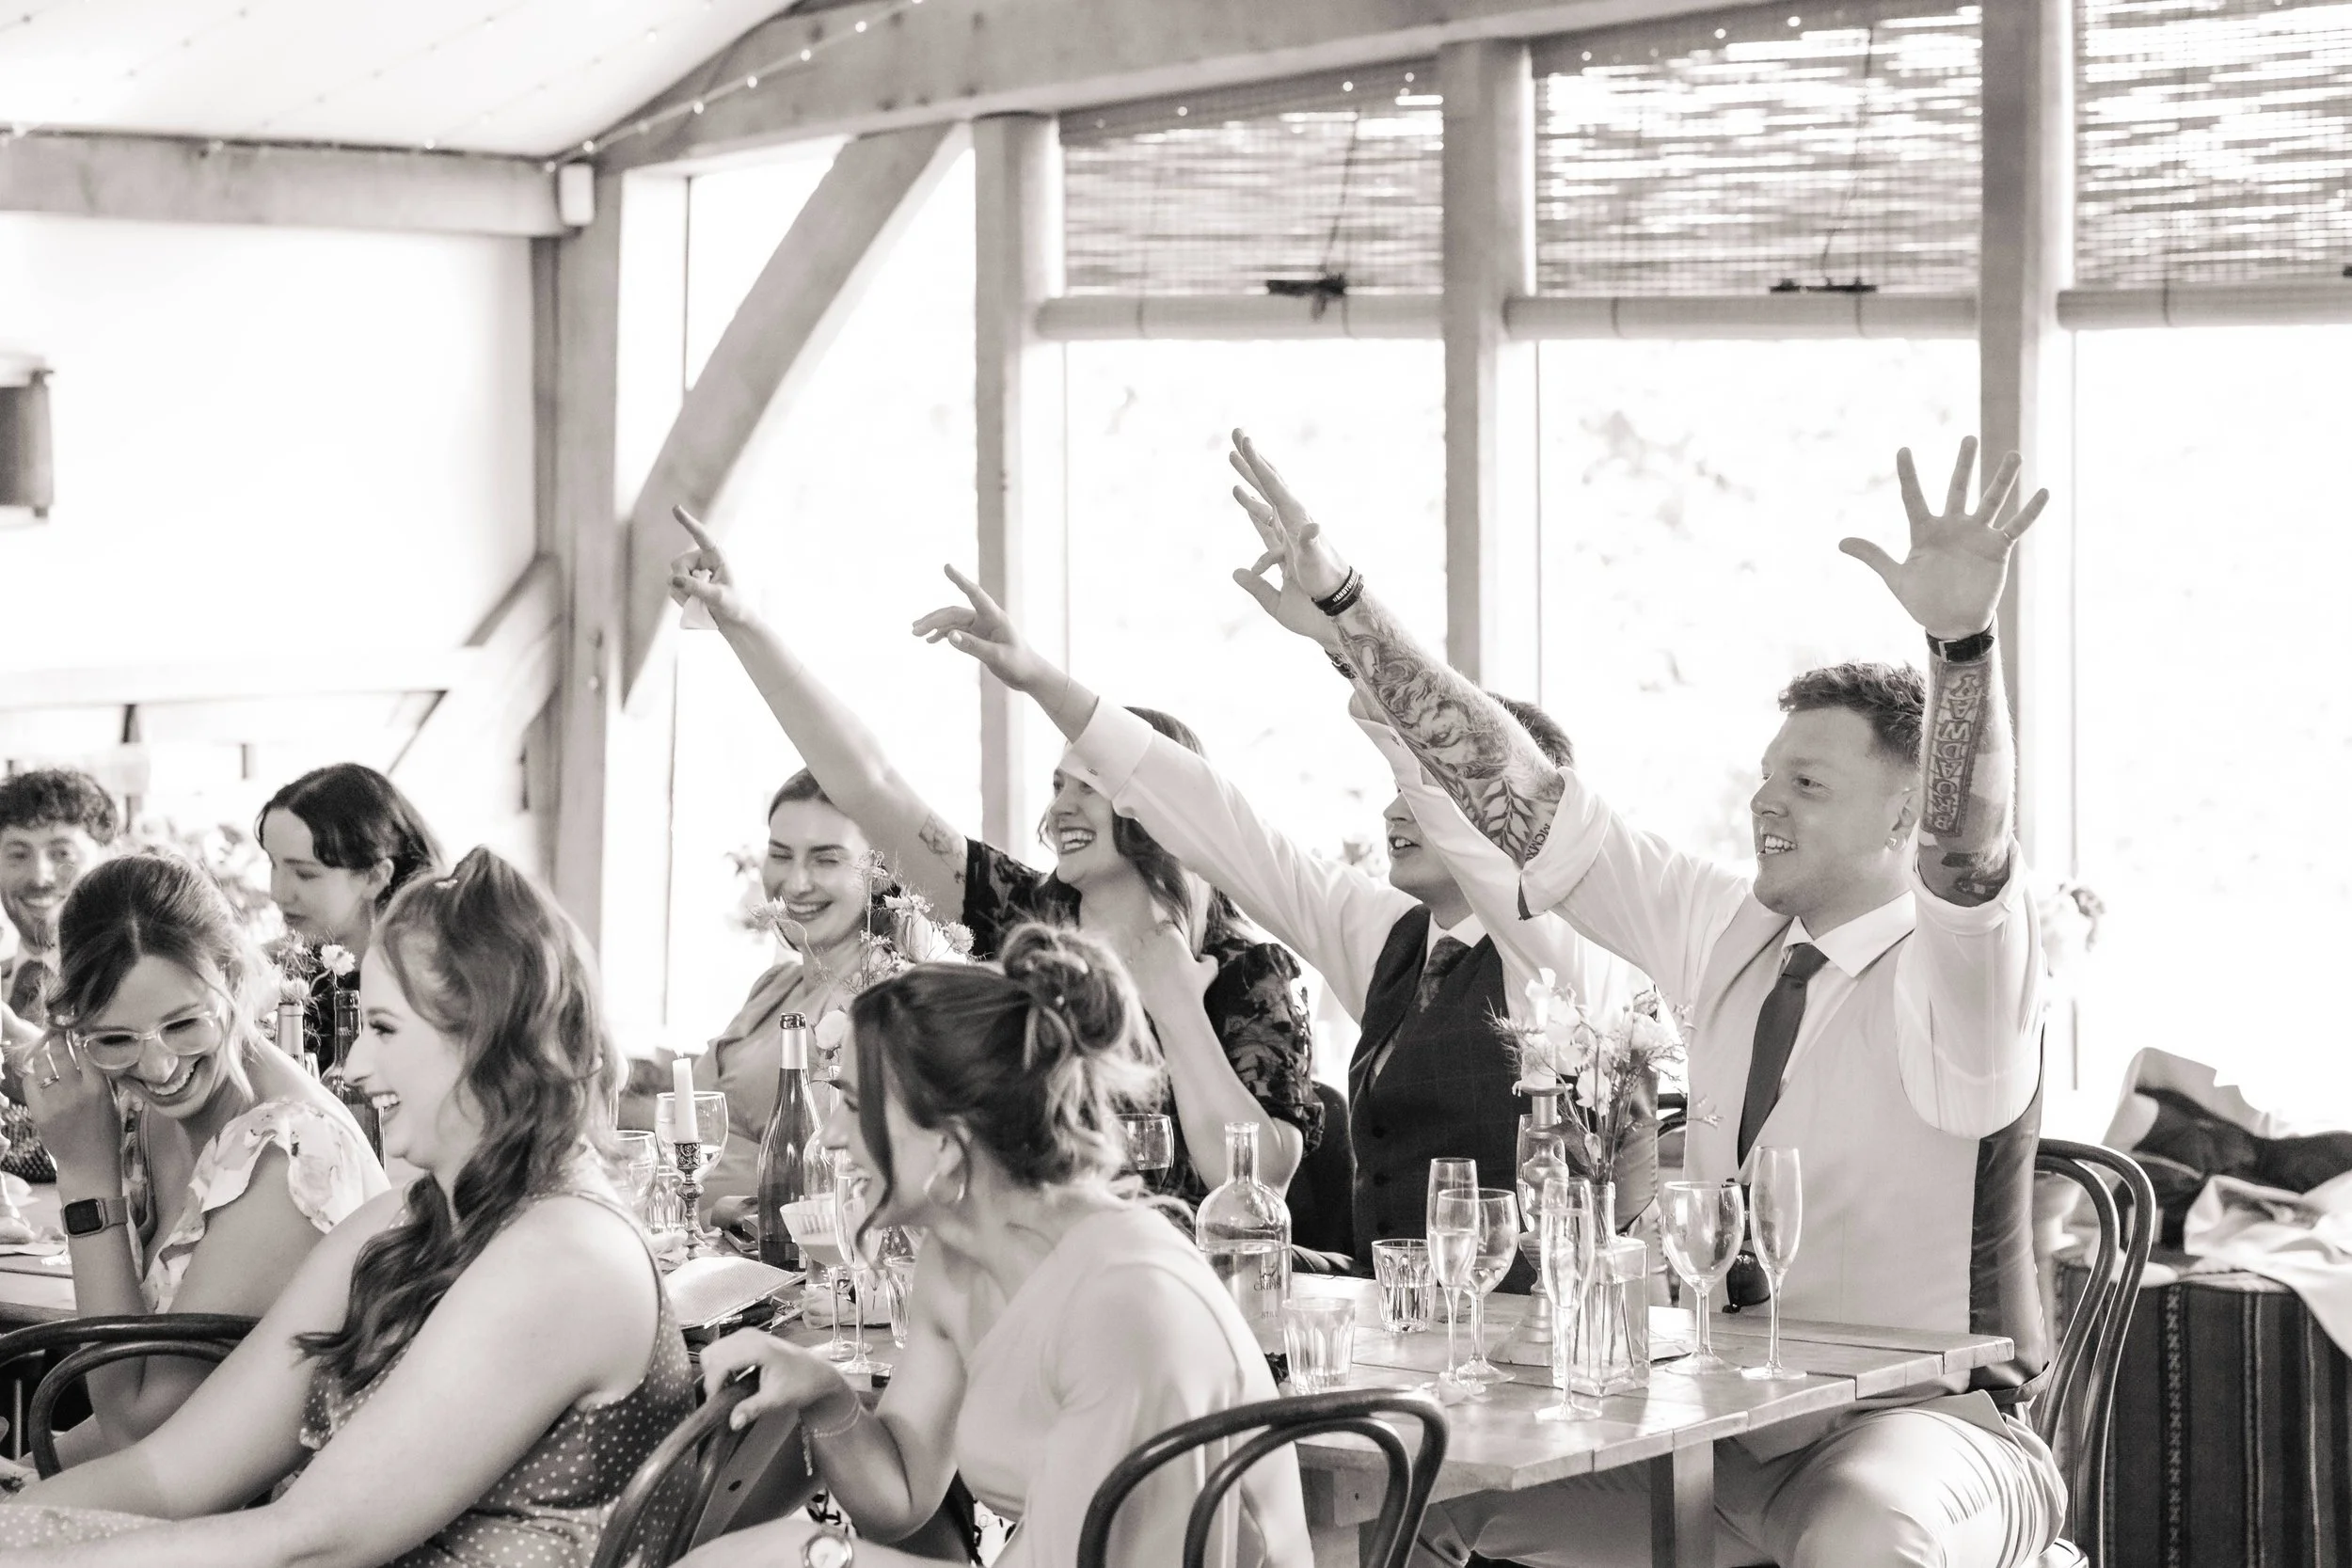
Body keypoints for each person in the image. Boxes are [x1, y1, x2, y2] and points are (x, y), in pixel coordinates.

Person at [1228, 428, 2061, 1568]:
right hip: (1717, 1433)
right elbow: (1517, 792)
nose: (1765, 803)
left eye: (1806, 783)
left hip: (1929, 1429)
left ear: (1897, 819)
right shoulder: (1726, 924)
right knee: (1402, 1490)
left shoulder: (1962, 968)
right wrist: (1346, 614)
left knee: (1864, 1532)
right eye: (1765, 778)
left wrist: (1960, 646)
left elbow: (1971, 855)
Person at [914, 569, 1648, 1278]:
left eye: (1427, 787)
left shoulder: (1557, 952)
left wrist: (1348, 616)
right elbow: (1229, 831)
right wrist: (1042, 680)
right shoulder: (1393, 935)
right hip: (1398, 1334)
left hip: (1530, 1343)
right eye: (1399, 786)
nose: (1398, 809)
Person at [0, 848, 694, 1568]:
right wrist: (19, 1523)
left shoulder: (562, 1255)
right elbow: (168, 1473)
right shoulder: (407, 1221)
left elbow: (311, 1541)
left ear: (486, 1034)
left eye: (385, 1029)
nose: (353, 1067)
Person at [667, 507, 1319, 1200]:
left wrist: (1176, 1005)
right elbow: (869, 784)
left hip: (1179, 1284)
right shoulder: (1030, 923)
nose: (1060, 806)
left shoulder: (1250, 972)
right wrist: (744, 625)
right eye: (1056, 785)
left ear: (1158, 806)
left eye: (1088, 786)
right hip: (1032, 1265)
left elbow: (1257, 1185)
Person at [675, 923, 1311, 1568]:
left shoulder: (1122, 1301)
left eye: (853, 1104)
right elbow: (900, 1492)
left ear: (948, 1143)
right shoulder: (955, 1263)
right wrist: (826, 1393)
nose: (833, 1136)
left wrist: (811, 1555)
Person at [14, 855, 386, 1463]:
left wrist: (85, 1174)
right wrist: (30, 1471)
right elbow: (153, 1409)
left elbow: (135, 1425)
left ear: (236, 980)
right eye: (114, 1038)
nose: (158, 1067)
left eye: (184, 1023)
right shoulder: (156, 1109)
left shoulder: (289, 1156)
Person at [677, 769, 892, 1213]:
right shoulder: (773, 987)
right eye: (780, 854)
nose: (795, 883)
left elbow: (821, 1177)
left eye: (826, 859)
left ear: (880, 873)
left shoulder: (886, 999)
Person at [0, 768, 121, 1180]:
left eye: (62, 853)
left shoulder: (135, 990)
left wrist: (38, 1059)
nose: (39, 877)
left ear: (108, 857)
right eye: (18, 854)